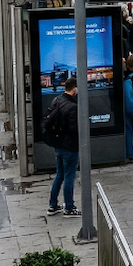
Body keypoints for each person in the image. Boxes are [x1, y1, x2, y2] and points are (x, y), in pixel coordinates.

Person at [46, 78, 81, 217]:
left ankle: (53, 205)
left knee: (59, 174)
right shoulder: (72, 107)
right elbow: (74, 129)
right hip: (70, 147)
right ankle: (69, 207)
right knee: (69, 177)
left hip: (58, 144)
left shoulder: (57, 100)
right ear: (74, 89)